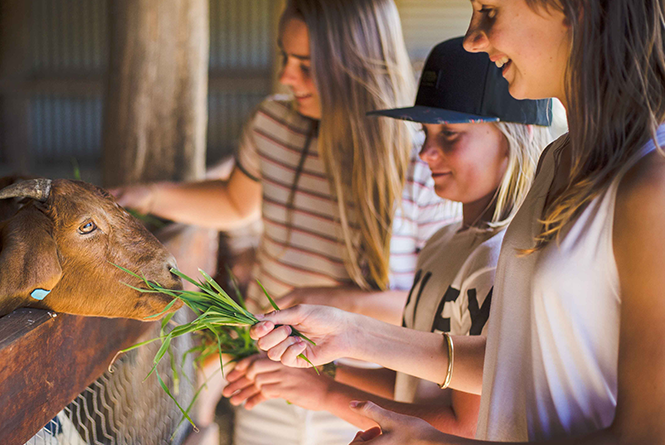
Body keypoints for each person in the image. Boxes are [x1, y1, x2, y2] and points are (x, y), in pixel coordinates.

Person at [248, 0, 665, 443]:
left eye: (489, 9)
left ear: (573, 10)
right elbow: (524, 365)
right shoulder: (558, 160)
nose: (472, 37)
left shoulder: (650, 183)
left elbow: (647, 433)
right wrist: (352, 333)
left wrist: (427, 439)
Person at [111, 1, 458, 442]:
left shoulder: (421, 161)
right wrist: (150, 194)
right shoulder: (273, 124)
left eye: (307, 66)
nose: (287, 77)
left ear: (355, 67)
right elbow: (236, 203)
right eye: (285, 58)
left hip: (366, 389)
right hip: (270, 375)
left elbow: (426, 308)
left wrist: (329, 299)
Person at [222, 37, 552, 439]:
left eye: (449, 133)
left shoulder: (498, 263)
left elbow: (466, 426)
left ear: (518, 136)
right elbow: (407, 382)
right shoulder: (443, 243)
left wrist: (326, 393)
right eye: (425, 132)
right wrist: (314, 367)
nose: (427, 152)